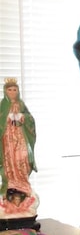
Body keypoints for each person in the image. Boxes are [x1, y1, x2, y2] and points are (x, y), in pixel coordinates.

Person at [0, 77, 38, 217]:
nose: (12, 92)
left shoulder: (22, 105)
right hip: (8, 140)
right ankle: (11, 183)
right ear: (5, 91)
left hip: (21, 139)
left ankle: (22, 182)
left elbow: (30, 119)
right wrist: (6, 120)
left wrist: (23, 117)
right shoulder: (2, 106)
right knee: (9, 160)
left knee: (22, 158)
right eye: (9, 90)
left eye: (14, 89)